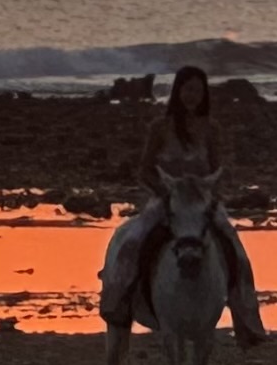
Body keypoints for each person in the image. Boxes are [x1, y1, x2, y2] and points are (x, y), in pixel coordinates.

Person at [98, 66, 266, 344]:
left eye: (198, 91)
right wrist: (164, 193)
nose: (192, 96)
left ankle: (246, 319)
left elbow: (217, 168)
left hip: (200, 201)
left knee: (235, 249)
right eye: (188, 90)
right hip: (167, 199)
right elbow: (145, 170)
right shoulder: (160, 128)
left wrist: (211, 197)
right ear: (178, 91)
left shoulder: (211, 128)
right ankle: (119, 300)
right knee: (132, 241)